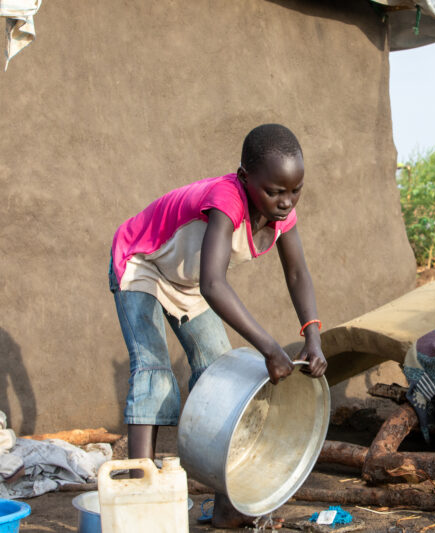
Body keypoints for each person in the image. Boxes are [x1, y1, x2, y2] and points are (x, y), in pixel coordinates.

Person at [108, 124, 326, 528]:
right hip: (143, 264)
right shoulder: (225, 198)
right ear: (245, 178)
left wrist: (311, 335)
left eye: (295, 190)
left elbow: (297, 274)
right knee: (154, 374)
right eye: (274, 192)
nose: (285, 201)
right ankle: (141, 500)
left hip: (187, 281)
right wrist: (269, 348)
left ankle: (229, 505)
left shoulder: (283, 215)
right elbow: (214, 283)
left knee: (222, 380)